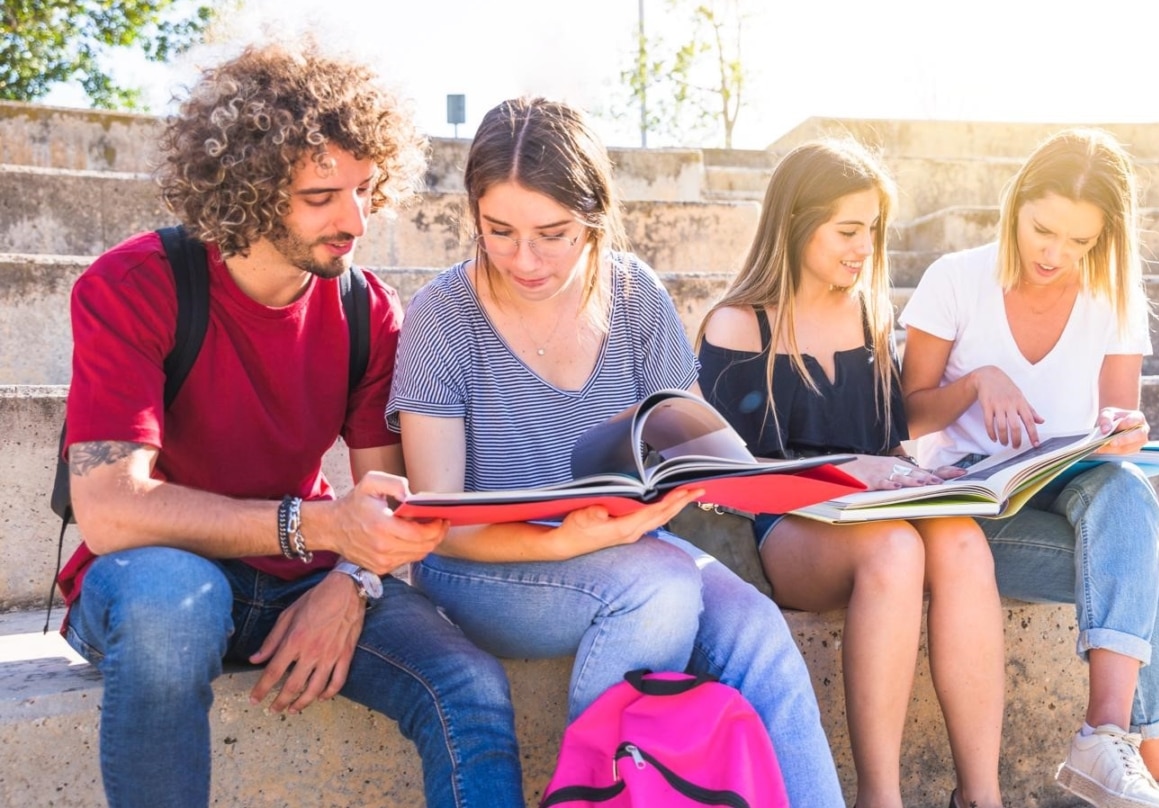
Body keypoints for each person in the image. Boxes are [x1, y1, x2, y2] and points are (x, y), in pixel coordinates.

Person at [58, 43, 523, 808]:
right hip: (153, 576)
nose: (356, 218)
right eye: (320, 195)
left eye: (367, 188)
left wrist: (351, 580)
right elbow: (110, 510)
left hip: (302, 577)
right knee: (171, 612)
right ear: (246, 187)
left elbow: (385, 502)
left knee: (468, 682)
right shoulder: (131, 286)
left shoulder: (366, 310)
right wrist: (322, 530)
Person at [386, 96, 845, 807]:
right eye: (498, 231)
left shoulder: (636, 296)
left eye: (553, 233)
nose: (524, 259)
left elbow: (691, 436)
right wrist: (565, 540)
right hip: (488, 567)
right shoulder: (441, 315)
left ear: (594, 215)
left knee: (754, 626)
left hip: (631, 544)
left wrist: (748, 479)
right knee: (658, 592)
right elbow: (445, 528)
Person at [696, 140, 1007, 808]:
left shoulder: (868, 314)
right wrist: (846, 468)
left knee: (959, 538)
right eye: (847, 230)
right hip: (781, 529)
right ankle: (879, 798)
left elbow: (889, 438)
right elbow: (731, 475)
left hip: (867, 517)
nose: (864, 246)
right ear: (797, 223)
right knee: (896, 550)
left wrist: (955, 421)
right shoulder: (739, 322)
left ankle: (982, 797)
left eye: (872, 229)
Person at [899, 128, 1159, 808]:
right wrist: (978, 380)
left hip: (1069, 494)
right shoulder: (955, 278)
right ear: (1016, 203)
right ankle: (1155, 762)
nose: (1056, 254)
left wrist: (1123, 432)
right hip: (969, 522)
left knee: (1124, 490)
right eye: (1044, 230)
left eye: (1081, 242)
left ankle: (1104, 733)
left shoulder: (1112, 295)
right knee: (1152, 563)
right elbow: (906, 419)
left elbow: (1118, 420)